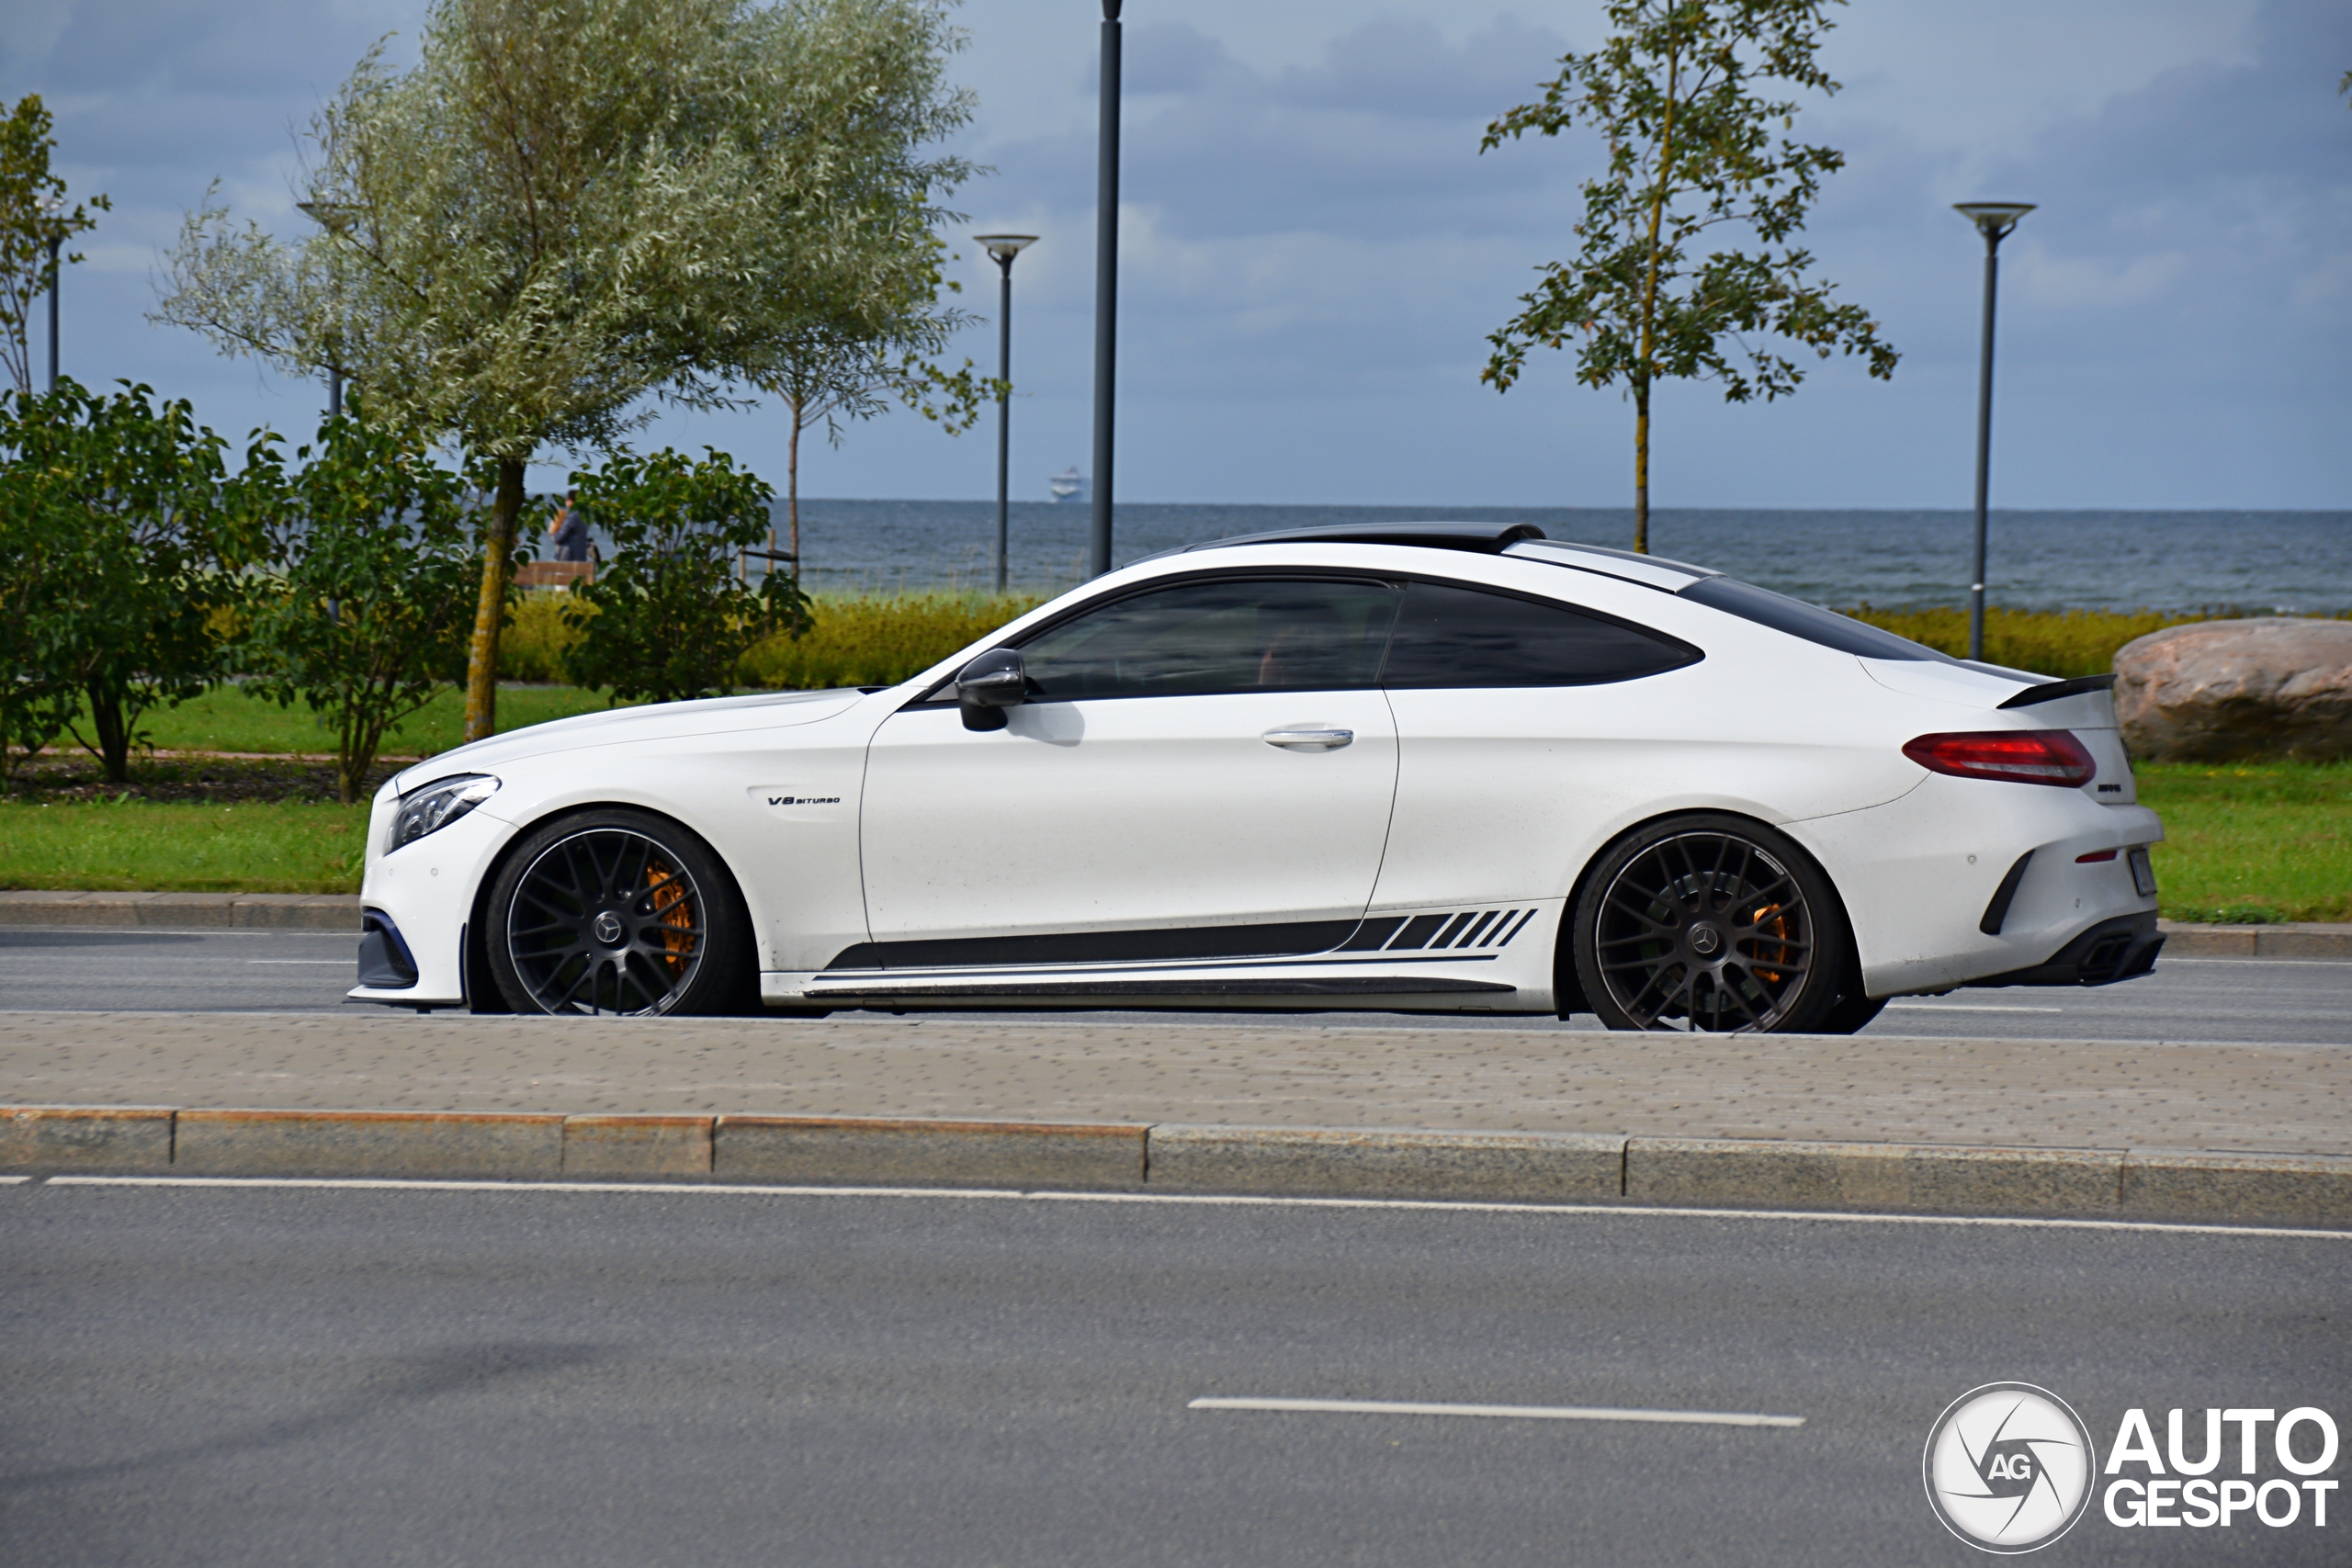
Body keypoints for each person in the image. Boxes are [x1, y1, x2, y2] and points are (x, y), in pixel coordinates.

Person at [547, 492, 591, 563]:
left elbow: (558, 538)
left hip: (569, 558)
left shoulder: (572, 517)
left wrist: (553, 530)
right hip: (581, 558)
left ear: (571, 501)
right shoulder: (584, 516)